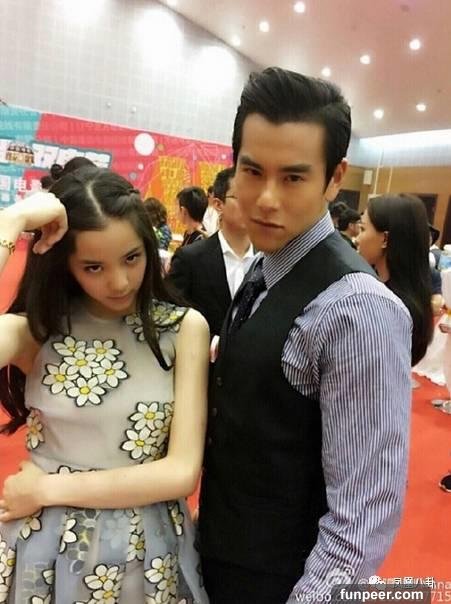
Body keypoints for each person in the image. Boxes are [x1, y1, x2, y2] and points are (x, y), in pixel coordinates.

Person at [198, 67, 412, 604]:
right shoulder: (266, 264)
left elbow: (362, 517)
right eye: (252, 171)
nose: (266, 199)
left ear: (335, 178)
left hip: (282, 584)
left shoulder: (358, 311)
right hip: (221, 556)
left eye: (293, 178)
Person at [0, 168, 210, 603]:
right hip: (44, 546)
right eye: (93, 267)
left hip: (144, 549)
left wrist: (48, 488)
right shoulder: (38, 330)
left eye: (132, 258)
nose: (119, 281)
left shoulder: (182, 328)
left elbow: (181, 471)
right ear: (65, 264)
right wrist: (11, 220)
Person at [168, 167, 255, 339]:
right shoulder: (190, 259)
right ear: (218, 204)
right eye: (241, 197)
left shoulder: (269, 259)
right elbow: (170, 317)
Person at [356, 194, 433, 365]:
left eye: (362, 229)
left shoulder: (390, 306)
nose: (357, 239)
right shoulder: (408, 295)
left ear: (385, 239)